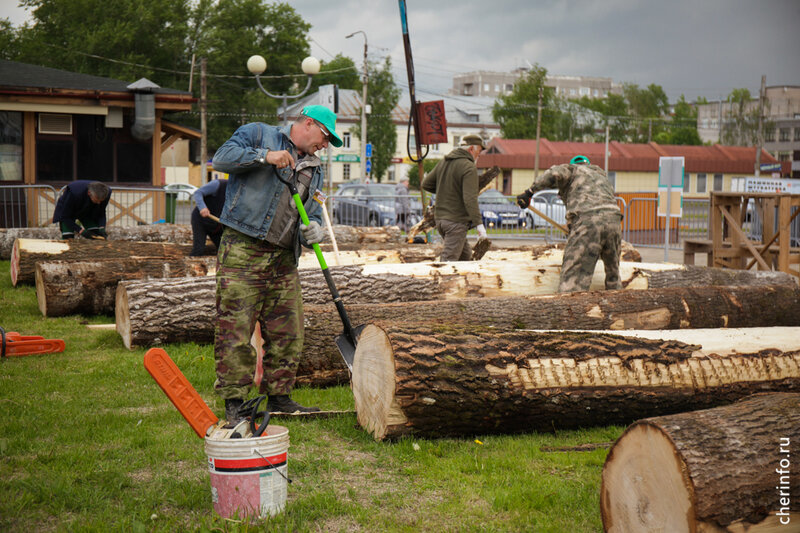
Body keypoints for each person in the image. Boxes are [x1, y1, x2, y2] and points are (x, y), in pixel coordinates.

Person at [211, 105, 342, 422]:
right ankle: (234, 404)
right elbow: (221, 158)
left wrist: (313, 230)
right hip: (243, 248)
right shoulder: (260, 133)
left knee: (289, 332)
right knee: (235, 330)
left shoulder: (315, 168)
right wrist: (264, 156)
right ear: (308, 124)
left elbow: (308, 213)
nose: (325, 146)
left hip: (284, 259)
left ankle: (279, 397)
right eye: (325, 137)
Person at [516, 155, 623, 293]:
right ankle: (618, 308)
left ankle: (569, 311)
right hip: (614, 221)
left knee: (573, 282)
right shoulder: (600, 175)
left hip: (589, 221)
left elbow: (554, 173)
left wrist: (529, 192)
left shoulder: (572, 170)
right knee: (613, 276)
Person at [421, 134, 487, 261]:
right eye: (479, 151)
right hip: (455, 223)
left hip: (441, 220)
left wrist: (446, 191)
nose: (479, 155)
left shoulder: (444, 162)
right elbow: (470, 199)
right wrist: (479, 225)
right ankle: (439, 281)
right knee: (447, 263)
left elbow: (426, 184)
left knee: (465, 259)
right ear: (471, 149)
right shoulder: (468, 167)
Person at [189, 178, 228, 256]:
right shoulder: (218, 184)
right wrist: (202, 207)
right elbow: (198, 193)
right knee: (198, 250)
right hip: (201, 222)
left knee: (224, 251)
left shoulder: (239, 193)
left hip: (217, 225)